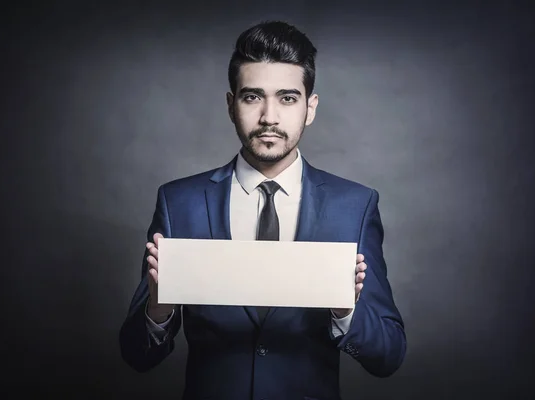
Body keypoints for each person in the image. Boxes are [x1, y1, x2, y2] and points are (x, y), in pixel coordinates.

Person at [119, 20, 406, 400]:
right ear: (230, 104)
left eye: (287, 98)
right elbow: (137, 357)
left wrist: (344, 312)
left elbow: (387, 357)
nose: (269, 117)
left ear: (310, 108)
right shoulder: (179, 202)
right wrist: (159, 311)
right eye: (252, 97)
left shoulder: (354, 205)